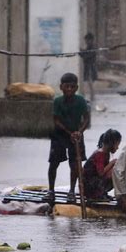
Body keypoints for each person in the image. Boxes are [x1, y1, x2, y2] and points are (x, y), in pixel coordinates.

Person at [45, 73, 89, 203]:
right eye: (66, 86)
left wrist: (79, 132)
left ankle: (71, 191)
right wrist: (68, 132)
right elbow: (56, 120)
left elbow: (86, 118)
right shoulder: (58, 101)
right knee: (54, 163)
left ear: (76, 88)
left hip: (76, 135)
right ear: (61, 87)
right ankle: (51, 190)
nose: (69, 89)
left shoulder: (80, 101)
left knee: (75, 164)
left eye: (72, 87)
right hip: (60, 134)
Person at [83, 129, 121, 200]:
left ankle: (102, 193)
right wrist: (112, 162)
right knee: (114, 172)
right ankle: (97, 195)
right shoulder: (100, 154)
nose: (117, 148)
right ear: (111, 143)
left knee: (116, 170)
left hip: (95, 182)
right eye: (117, 145)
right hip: (89, 185)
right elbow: (101, 173)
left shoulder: (106, 153)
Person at [79, 32, 97, 102]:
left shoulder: (92, 47)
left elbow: (87, 55)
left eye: (87, 40)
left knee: (90, 82)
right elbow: (85, 53)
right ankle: (92, 96)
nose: (86, 42)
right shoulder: (89, 47)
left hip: (90, 67)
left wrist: (81, 53)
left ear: (90, 40)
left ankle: (92, 97)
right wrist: (81, 51)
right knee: (89, 82)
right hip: (89, 66)